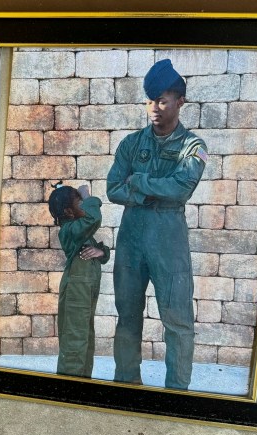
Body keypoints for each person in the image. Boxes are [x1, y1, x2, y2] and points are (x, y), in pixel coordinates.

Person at [106, 59, 207, 390]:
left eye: (162, 101)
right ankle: (126, 384)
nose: (154, 108)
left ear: (180, 101)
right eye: (150, 101)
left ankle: (176, 393)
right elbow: (113, 188)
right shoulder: (131, 144)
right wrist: (149, 193)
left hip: (169, 241)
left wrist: (140, 182)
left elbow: (182, 188)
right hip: (132, 239)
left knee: (177, 321)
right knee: (127, 317)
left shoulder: (193, 147)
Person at [48, 182, 110, 378]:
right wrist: (88, 195)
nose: (84, 205)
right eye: (80, 202)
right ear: (68, 211)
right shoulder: (69, 230)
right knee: (75, 342)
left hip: (85, 292)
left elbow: (100, 253)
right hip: (76, 291)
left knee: (86, 340)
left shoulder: (80, 230)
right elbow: (93, 218)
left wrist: (101, 252)